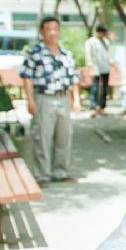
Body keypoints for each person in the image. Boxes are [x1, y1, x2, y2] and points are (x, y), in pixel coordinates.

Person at [20, 16, 81, 185]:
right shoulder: (35, 53)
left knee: (64, 137)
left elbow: (74, 79)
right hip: (43, 99)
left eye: (55, 29)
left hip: (63, 99)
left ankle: (60, 172)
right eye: (48, 29)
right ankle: (42, 175)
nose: (53, 33)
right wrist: (30, 100)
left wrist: (76, 100)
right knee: (42, 137)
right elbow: (27, 78)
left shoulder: (66, 54)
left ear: (59, 31)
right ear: (42, 32)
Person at [84, 24, 113, 116]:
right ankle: (93, 107)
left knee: (104, 89)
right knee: (95, 88)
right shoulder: (91, 42)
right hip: (95, 67)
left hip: (105, 67)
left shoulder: (106, 42)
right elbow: (88, 54)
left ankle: (102, 107)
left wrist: (111, 63)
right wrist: (90, 67)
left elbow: (108, 54)